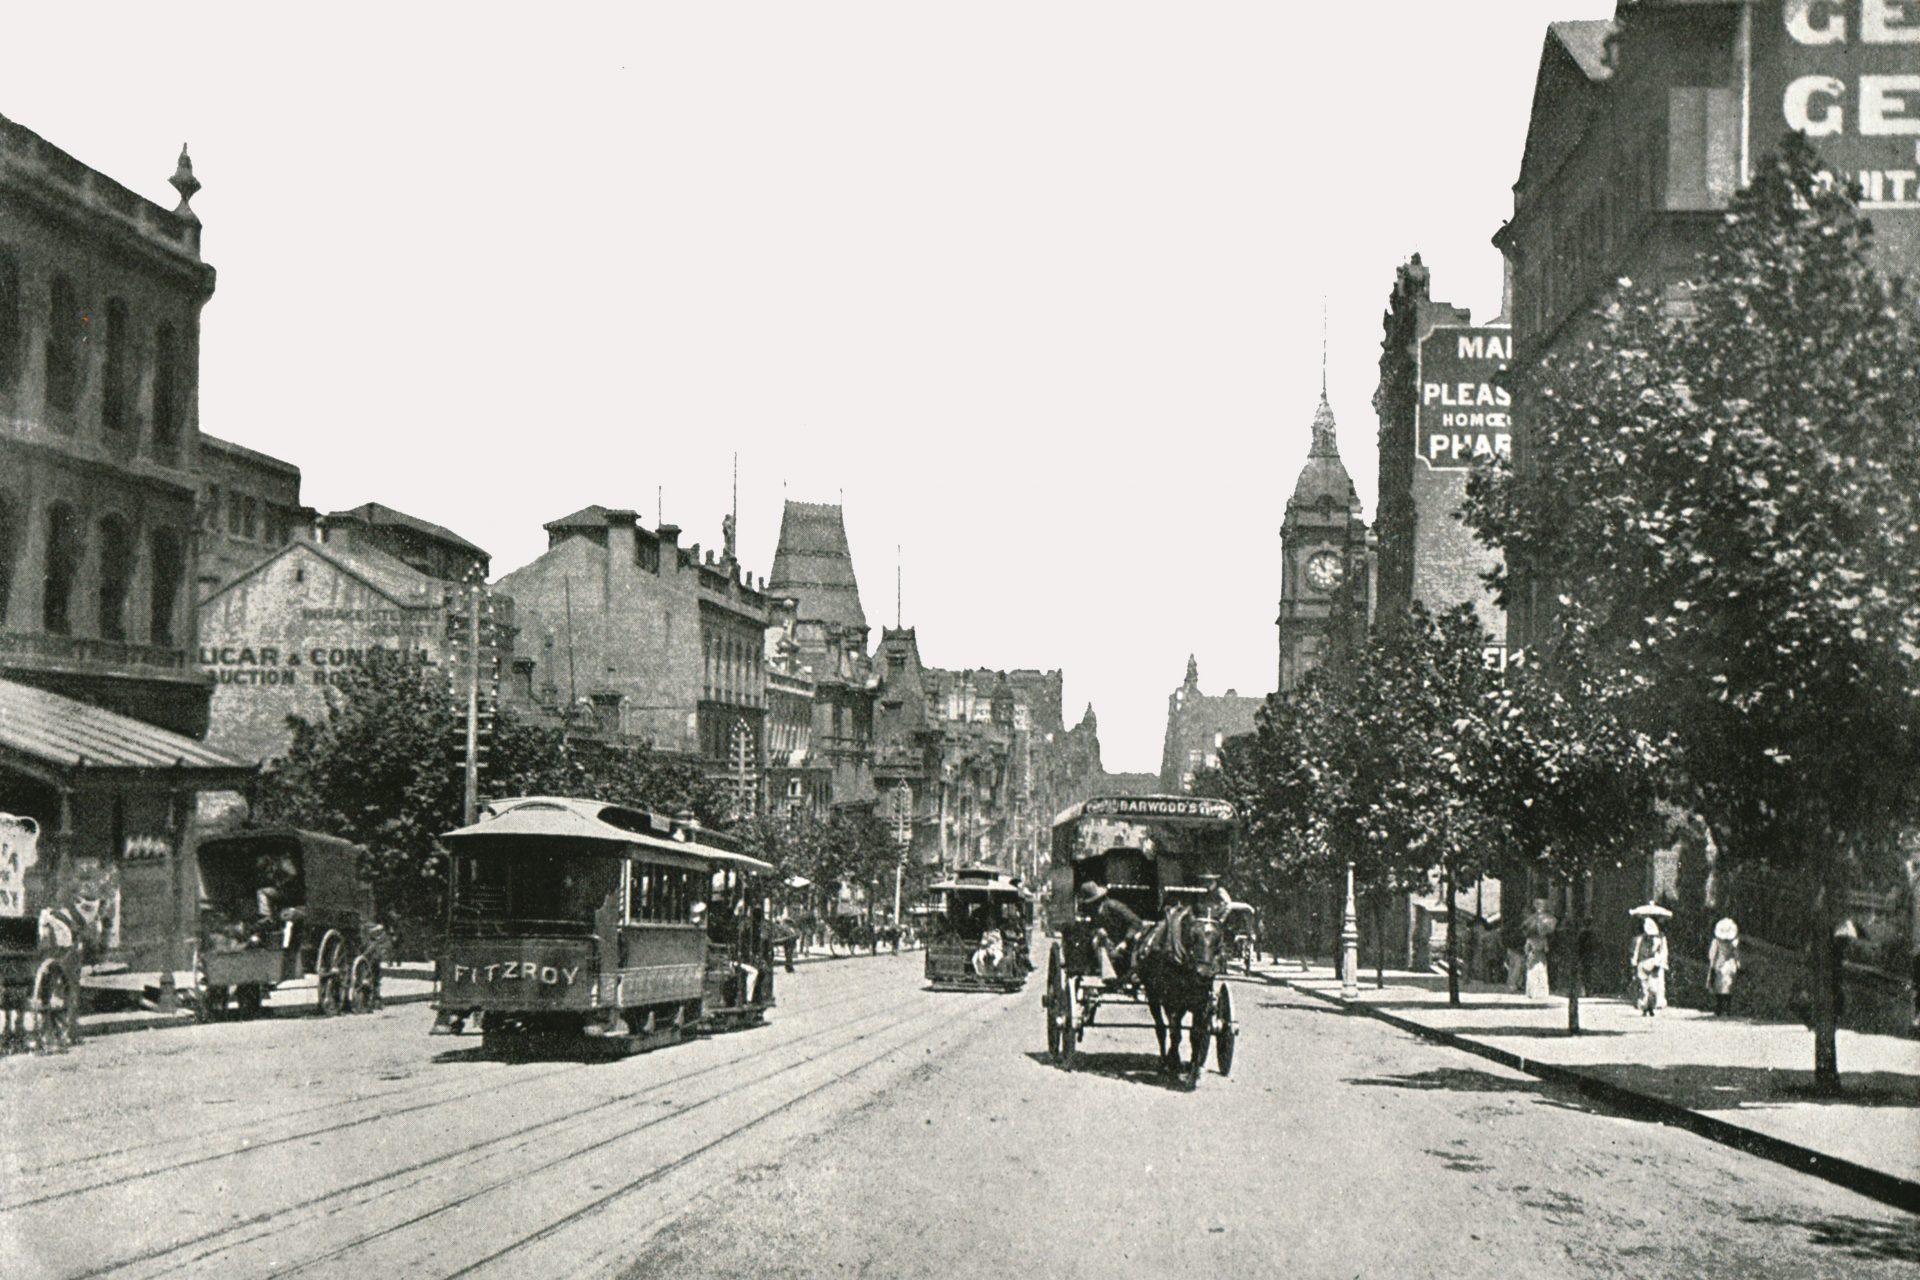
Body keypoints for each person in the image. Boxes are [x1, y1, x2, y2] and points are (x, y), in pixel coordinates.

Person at [1078, 881, 1144, 983]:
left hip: (1125, 946)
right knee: (1096, 940)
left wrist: (1125, 941)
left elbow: (1136, 922)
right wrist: (1096, 931)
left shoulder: (1114, 906)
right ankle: (1108, 975)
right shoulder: (1095, 913)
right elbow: (1090, 930)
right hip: (1109, 946)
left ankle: (1131, 974)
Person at [1631, 917, 1669, 1016]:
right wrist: (1635, 963)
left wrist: (1661, 962)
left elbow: (1664, 952)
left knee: (1653, 987)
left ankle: (1651, 1007)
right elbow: (1637, 951)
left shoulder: (1660, 938)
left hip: (1655, 963)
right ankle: (1645, 1007)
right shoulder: (1641, 939)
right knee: (1644, 987)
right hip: (1643, 964)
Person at [1522, 899, 1556, 999]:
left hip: (1532, 955)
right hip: (1541, 956)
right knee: (1541, 974)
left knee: (1531, 973)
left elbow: (1526, 949)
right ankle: (1541, 993)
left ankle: (1531, 992)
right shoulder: (1543, 939)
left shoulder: (1530, 938)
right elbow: (1546, 949)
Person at [1707, 917, 1741, 1016]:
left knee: (1719, 988)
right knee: (1729, 988)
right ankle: (1727, 1009)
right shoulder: (1734, 943)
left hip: (1720, 965)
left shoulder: (1716, 942)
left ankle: (1719, 1009)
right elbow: (1737, 955)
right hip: (1731, 966)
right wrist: (1738, 964)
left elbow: (1712, 954)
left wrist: (1712, 964)